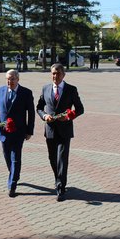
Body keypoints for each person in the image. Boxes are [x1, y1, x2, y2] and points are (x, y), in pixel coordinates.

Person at [36, 63, 84, 202]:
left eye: (57, 73)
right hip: (50, 130)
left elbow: (80, 109)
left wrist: (68, 116)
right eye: (53, 73)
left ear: (63, 75)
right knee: (52, 158)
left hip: (65, 130)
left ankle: (60, 188)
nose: (55, 76)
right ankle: (58, 180)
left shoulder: (71, 89)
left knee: (62, 159)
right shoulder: (45, 88)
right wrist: (44, 116)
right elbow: (39, 107)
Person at [0, 69, 35, 197]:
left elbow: (31, 114)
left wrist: (29, 131)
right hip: (4, 131)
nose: (10, 81)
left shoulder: (26, 93)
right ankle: (14, 173)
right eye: (8, 79)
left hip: (19, 132)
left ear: (18, 79)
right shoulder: (0, 91)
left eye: (12, 79)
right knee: (7, 156)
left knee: (16, 158)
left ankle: (12, 185)